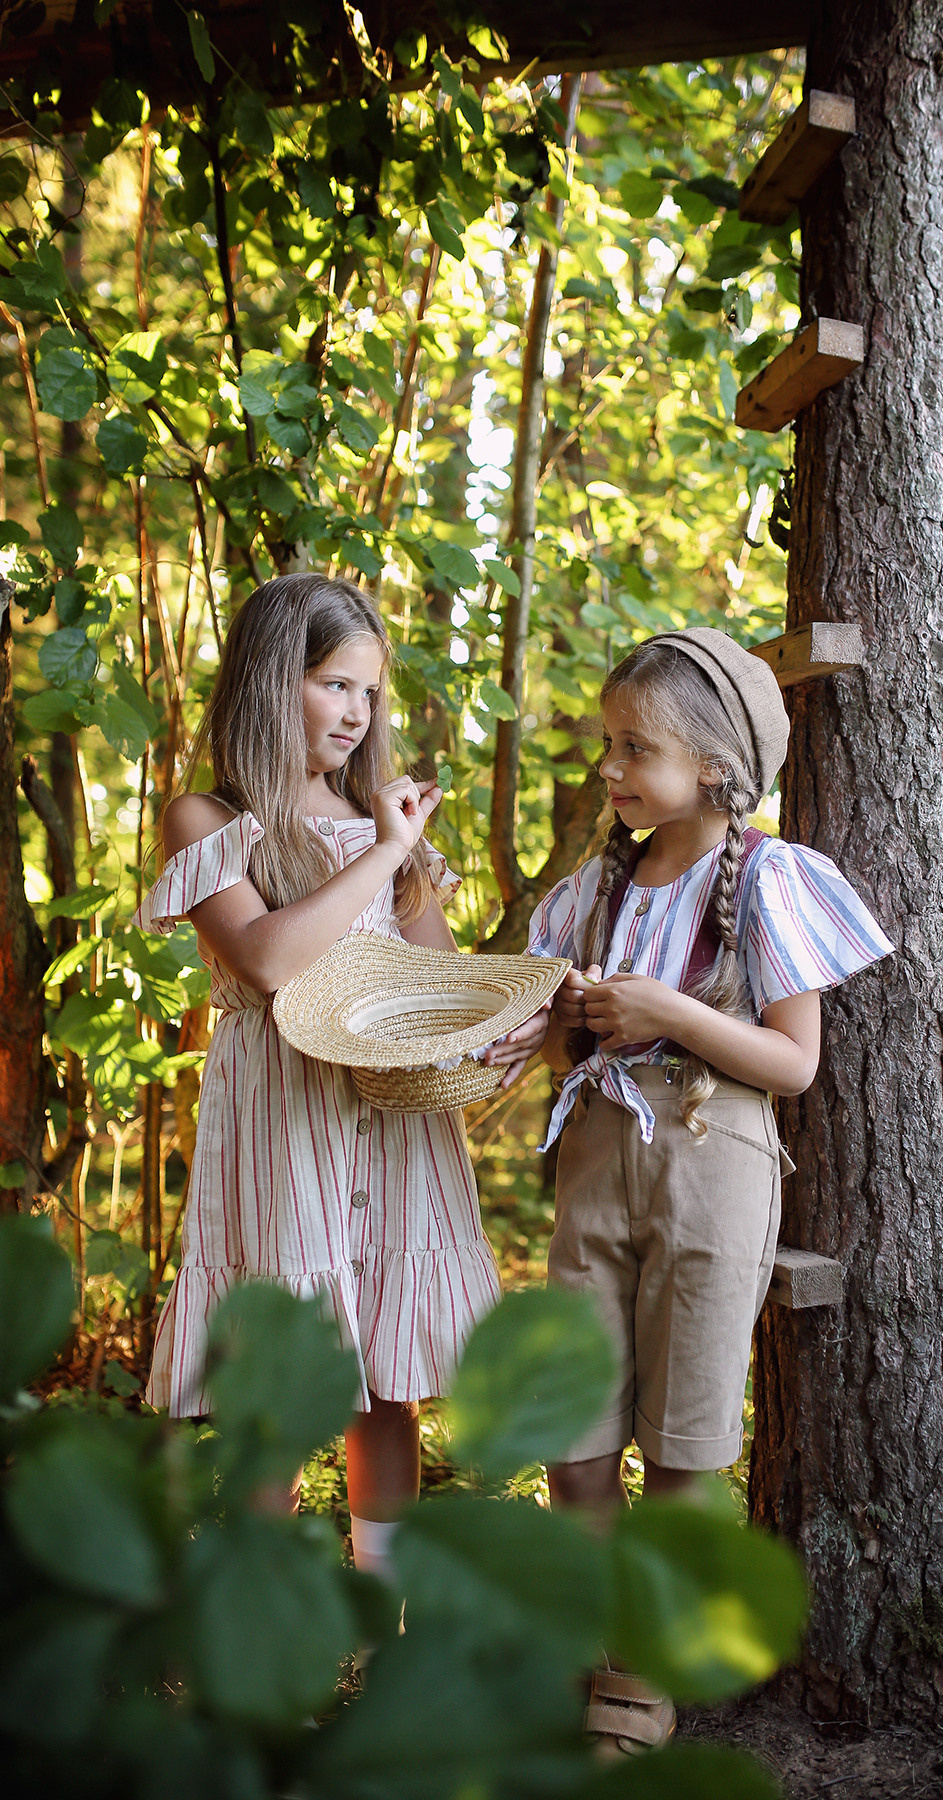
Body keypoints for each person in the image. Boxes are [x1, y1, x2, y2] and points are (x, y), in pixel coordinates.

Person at [134, 573, 546, 1577]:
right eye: (332, 684)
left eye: (368, 691)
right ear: (274, 685)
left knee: (386, 1375)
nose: (358, 713)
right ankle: (267, 1614)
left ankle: (383, 1596)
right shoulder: (208, 818)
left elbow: (434, 985)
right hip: (281, 1118)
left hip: (390, 1118)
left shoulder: (383, 818)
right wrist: (385, 849)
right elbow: (268, 962)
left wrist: (496, 1035)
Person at [528, 626, 893, 1752]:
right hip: (595, 1161)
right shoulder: (594, 887)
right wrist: (567, 1021)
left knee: (683, 1441)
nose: (612, 768)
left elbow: (792, 1063)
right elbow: (557, 1054)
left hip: (713, 1161)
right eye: (607, 744)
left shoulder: (771, 877)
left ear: (717, 767)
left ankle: (642, 1669)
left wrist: (673, 1013)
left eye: (635, 747)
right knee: (577, 1440)